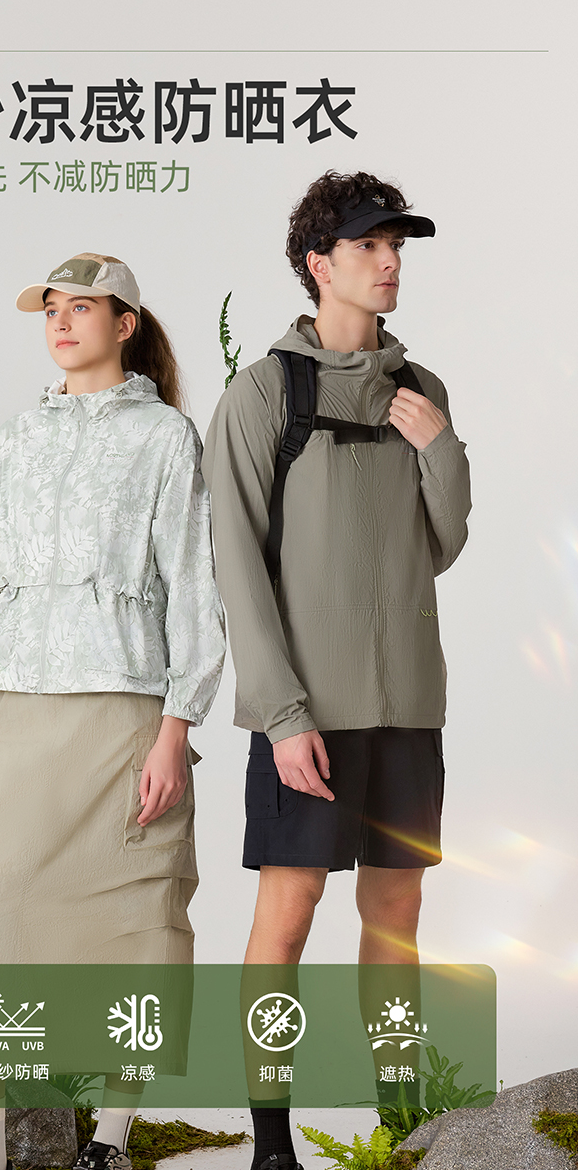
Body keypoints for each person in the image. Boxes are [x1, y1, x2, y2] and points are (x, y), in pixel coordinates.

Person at [202, 171, 471, 1170]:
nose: (390, 261)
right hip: (305, 715)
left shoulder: (421, 390)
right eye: (369, 244)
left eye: (397, 244)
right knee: (287, 918)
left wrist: (443, 450)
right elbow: (236, 564)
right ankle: (272, 1139)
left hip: (408, 708)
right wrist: (280, 715)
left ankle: (400, 1121)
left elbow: (438, 546)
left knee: (396, 919)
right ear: (319, 263)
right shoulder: (262, 394)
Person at [0, 252, 225, 1170]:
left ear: (125, 323)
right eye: (51, 309)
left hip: (123, 711)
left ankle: (108, 1141)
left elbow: (193, 584)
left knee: (132, 920)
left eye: (82, 307)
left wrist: (177, 728)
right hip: (19, 707)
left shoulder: (166, 437)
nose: (61, 322)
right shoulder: (14, 439)